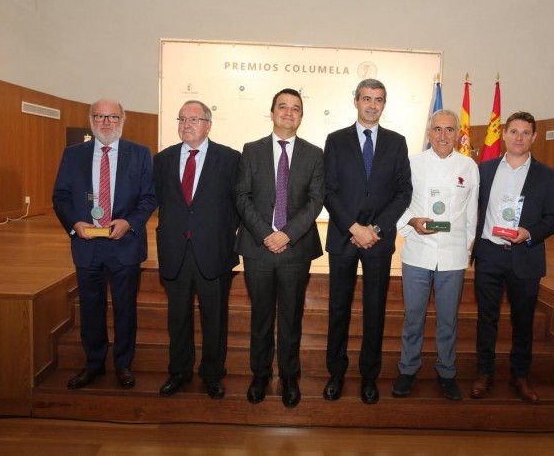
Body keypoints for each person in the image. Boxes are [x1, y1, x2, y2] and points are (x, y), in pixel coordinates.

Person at [52, 98, 157, 390]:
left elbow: (149, 197)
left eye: (112, 117)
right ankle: (94, 364)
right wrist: (75, 224)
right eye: (99, 116)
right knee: (90, 307)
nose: (106, 122)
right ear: (90, 120)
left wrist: (130, 222)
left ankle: (123, 364)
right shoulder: (73, 155)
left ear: (123, 119)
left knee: (125, 308)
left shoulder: (140, 154)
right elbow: (60, 196)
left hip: (125, 243)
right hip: (87, 244)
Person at [323, 79, 412, 404]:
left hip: (379, 239)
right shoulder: (335, 140)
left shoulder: (396, 142)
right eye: (366, 99)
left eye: (378, 100)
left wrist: (376, 228)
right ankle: (336, 372)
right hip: (344, 237)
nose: (372, 105)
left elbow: (404, 191)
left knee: (375, 310)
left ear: (384, 104)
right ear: (355, 101)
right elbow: (328, 190)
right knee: (338, 309)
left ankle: (369, 376)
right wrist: (352, 227)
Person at [235, 88, 324, 408]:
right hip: (258, 248)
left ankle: (289, 376)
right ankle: (260, 374)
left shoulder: (314, 154)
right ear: (272, 112)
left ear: (302, 116)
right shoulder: (251, 150)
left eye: (295, 108)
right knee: (260, 315)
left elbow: (316, 201)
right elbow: (241, 196)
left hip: (295, 249)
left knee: (291, 316)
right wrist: (265, 234)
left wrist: (286, 234)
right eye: (282, 107)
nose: (289, 112)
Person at [470, 111, 554, 403]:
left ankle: (520, 376)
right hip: (489, 254)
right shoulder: (483, 170)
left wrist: (530, 232)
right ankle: (485, 373)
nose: (519, 138)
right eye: (514, 132)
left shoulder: (547, 175)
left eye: (525, 133)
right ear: (503, 134)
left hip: (525, 255)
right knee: (487, 319)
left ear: (534, 137)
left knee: (523, 321)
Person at [153, 100, 240, 398]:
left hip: (213, 251)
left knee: (214, 319)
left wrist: (224, 234)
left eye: (194, 119)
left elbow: (238, 204)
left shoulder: (229, 159)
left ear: (208, 125)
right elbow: (157, 201)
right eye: (182, 119)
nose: (186, 125)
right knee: (177, 318)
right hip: (175, 251)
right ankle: (179, 371)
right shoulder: (162, 160)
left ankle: (213, 373)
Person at [392, 109, 478, 401]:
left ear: (457, 134)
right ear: (428, 133)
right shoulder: (412, 164)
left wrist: (466, 247)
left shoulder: (469, 166)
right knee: (413, 317)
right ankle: (408, 369)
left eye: (450, 130)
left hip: (452, 257)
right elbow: (398, 202)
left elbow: (471, 214)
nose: (443, 136)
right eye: (438, 129)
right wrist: (410, 224)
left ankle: (446, 372)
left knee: (448, 320)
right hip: (417, 252)